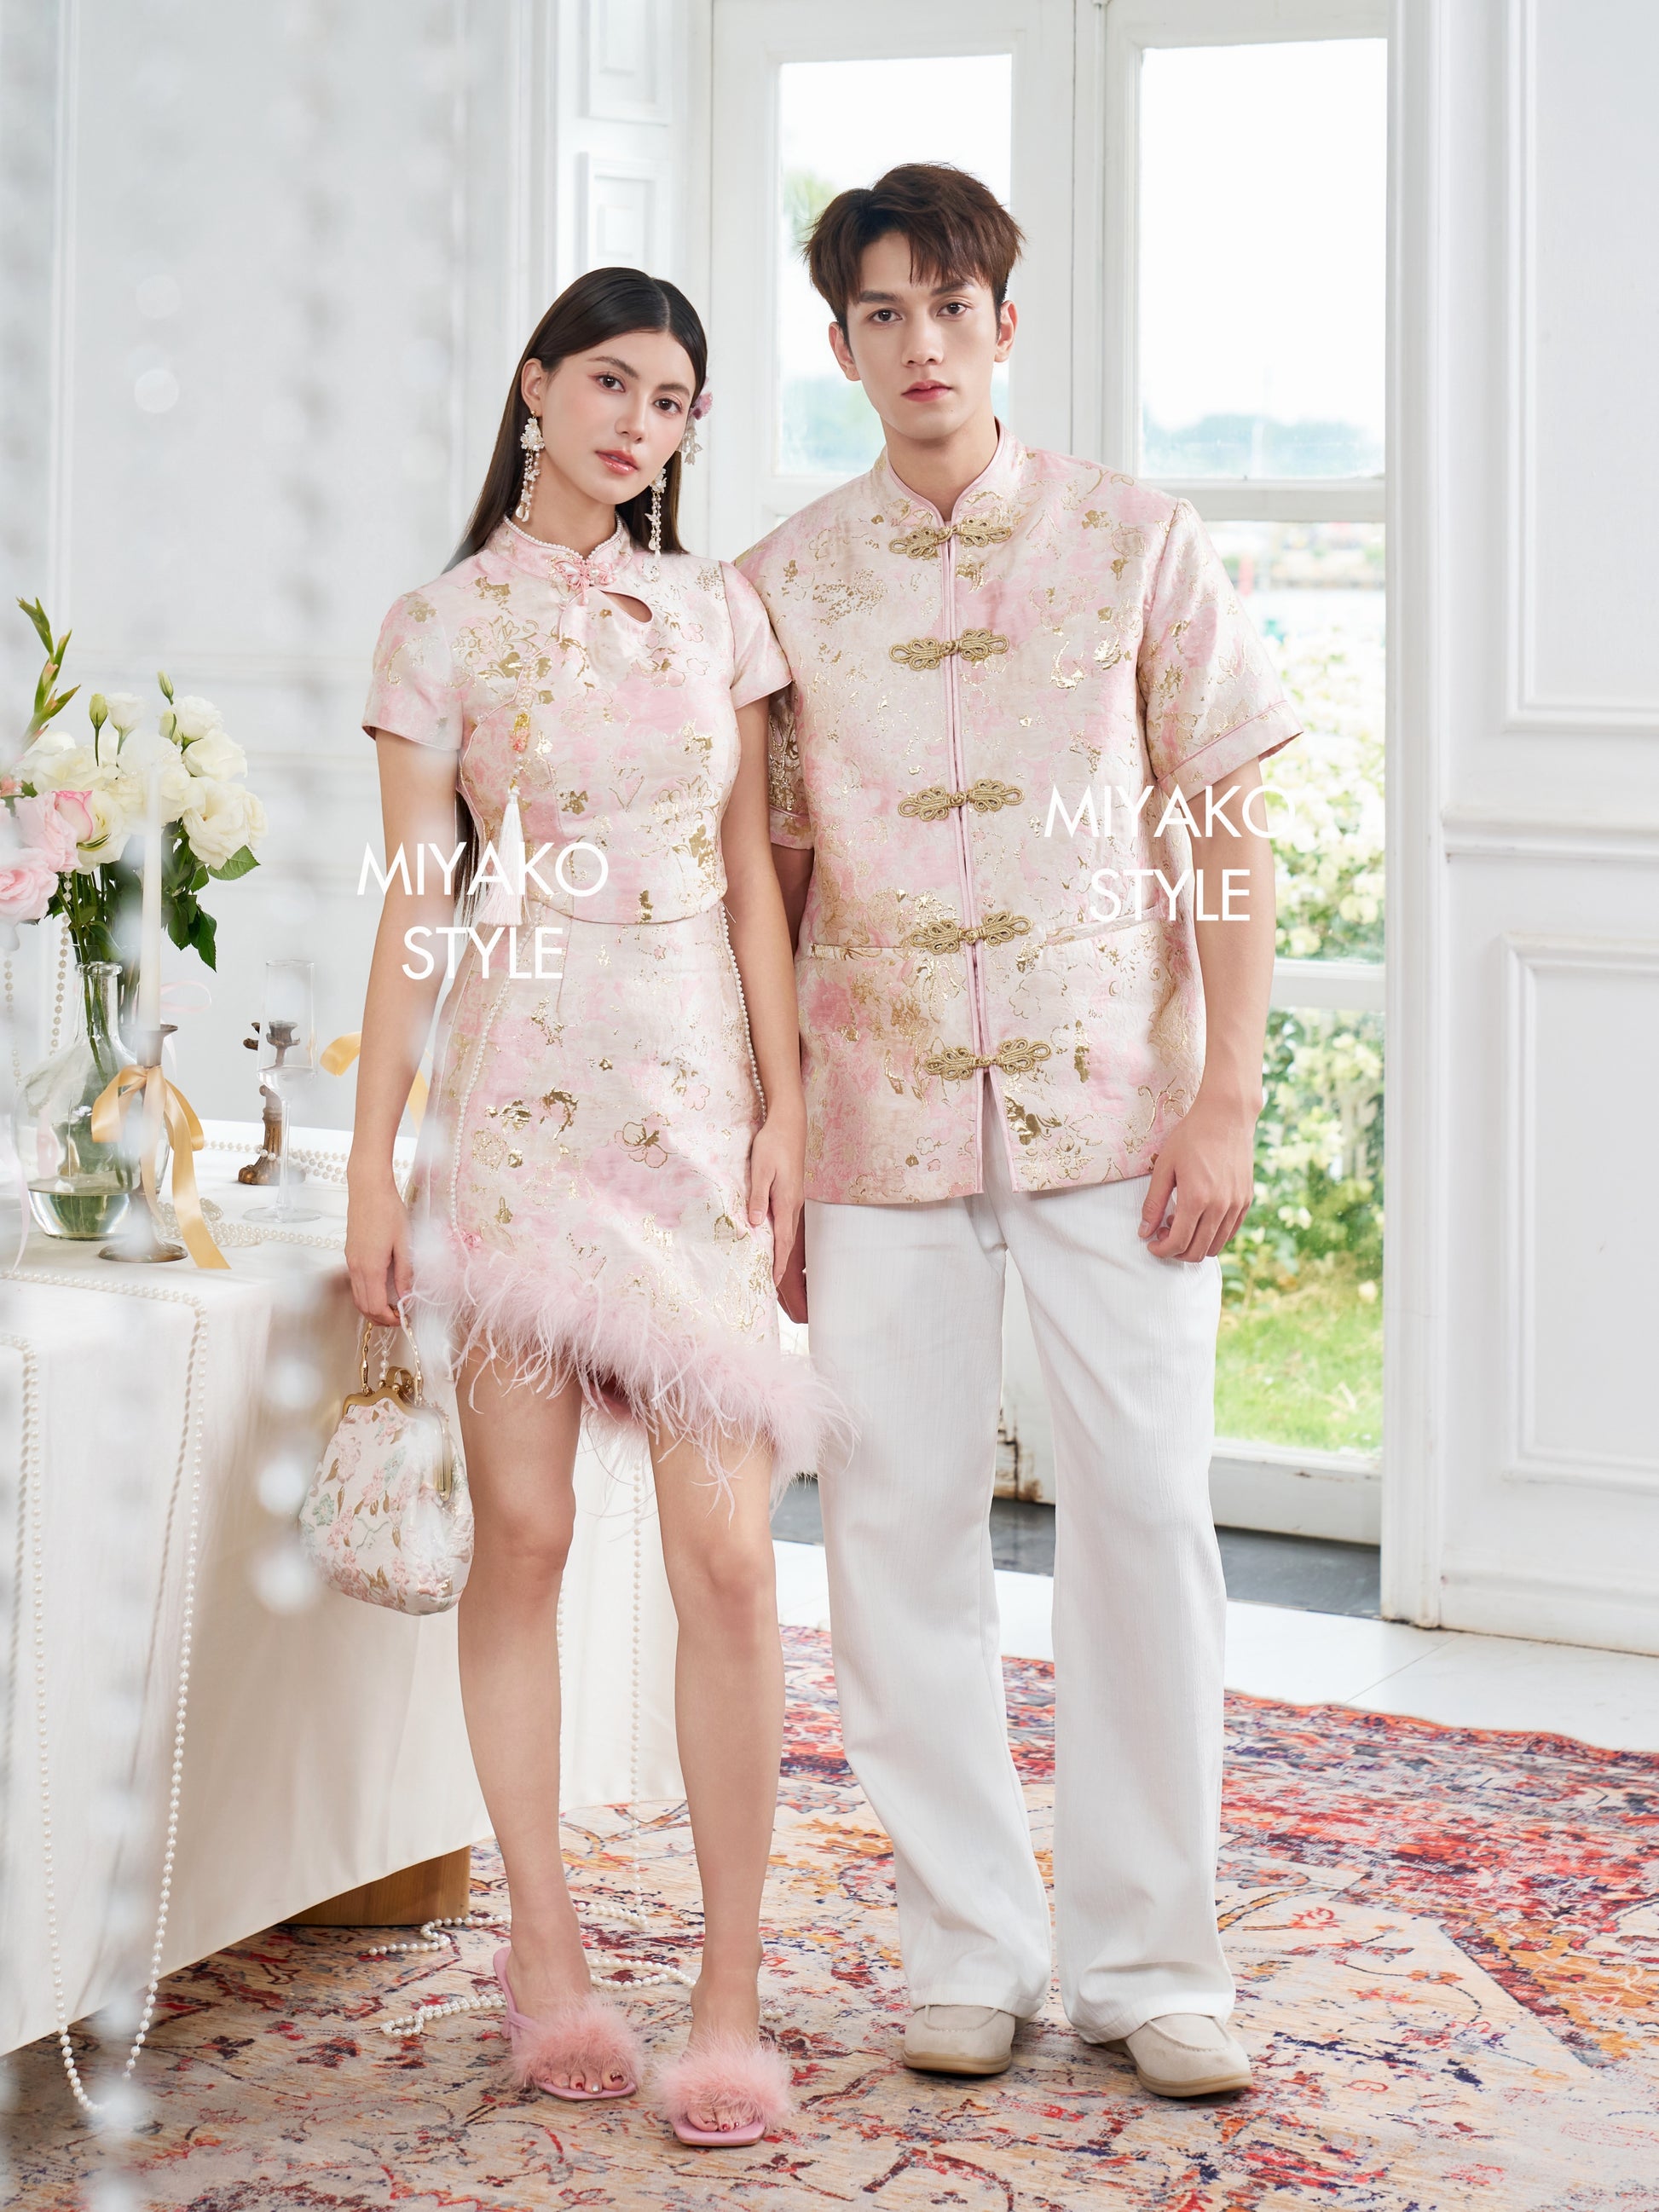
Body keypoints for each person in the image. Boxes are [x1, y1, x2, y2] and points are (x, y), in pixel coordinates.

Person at [737, 165, 1302, 2099]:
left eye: (949, 306)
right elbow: (769, 884)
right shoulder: (784, 583)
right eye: (880, 315)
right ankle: (965, 1946)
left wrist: (1226, 1090)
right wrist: (772, 1128)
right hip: (873, 1117)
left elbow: (1223, 826)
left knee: (1141, 1514)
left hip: (1115, 1108)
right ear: (840, 348)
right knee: (892, 1531)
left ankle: (1154, 1961)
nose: (921, 343)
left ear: (1003, 321)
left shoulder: (1138, 544)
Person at [346, 266, 835, 2148]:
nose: (642, 422)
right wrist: (378, 1161)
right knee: (529, 1534)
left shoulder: (716, 611)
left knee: (730, 1557)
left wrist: (787, 1107)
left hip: (695, 1108)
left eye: (675, 399)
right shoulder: (436, 627)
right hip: (517, 1103)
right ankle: (543, 1951)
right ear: (537, 387)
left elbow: (752, 876)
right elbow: (416, 903)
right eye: (613, 382)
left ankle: (728, 1993)